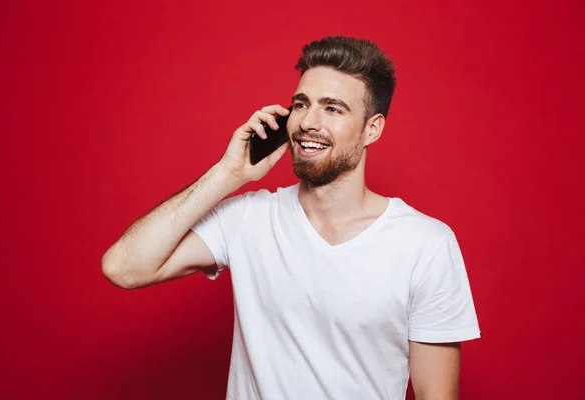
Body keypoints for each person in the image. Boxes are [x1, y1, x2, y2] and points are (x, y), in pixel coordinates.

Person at [102, 35, 481, 400]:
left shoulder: (426, 244)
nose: (307, 122)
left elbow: (437, 395)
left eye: (332, 108)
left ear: (372, 129)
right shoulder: (247, 220)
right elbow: (124, 267)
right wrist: (227, 174)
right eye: (301, 104)